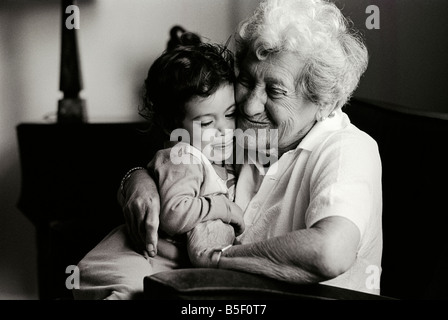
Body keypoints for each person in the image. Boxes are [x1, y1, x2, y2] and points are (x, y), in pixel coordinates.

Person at [74, 0, 382, 300]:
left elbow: (329, 253)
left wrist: (216, 258)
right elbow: (181, 163)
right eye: (246, 80)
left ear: (324, 102)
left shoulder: (347, 150)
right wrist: (136, 179)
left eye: (275, 91)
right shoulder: (250, 139)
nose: (249, 105)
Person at [141, 41, 245, 259]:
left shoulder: (221, 157)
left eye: (230, 114)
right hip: (148, 261)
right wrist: (225, 208)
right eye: (206, 123)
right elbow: (174, 214)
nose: (224, 130)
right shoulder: (183, 157)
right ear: (172, 126)